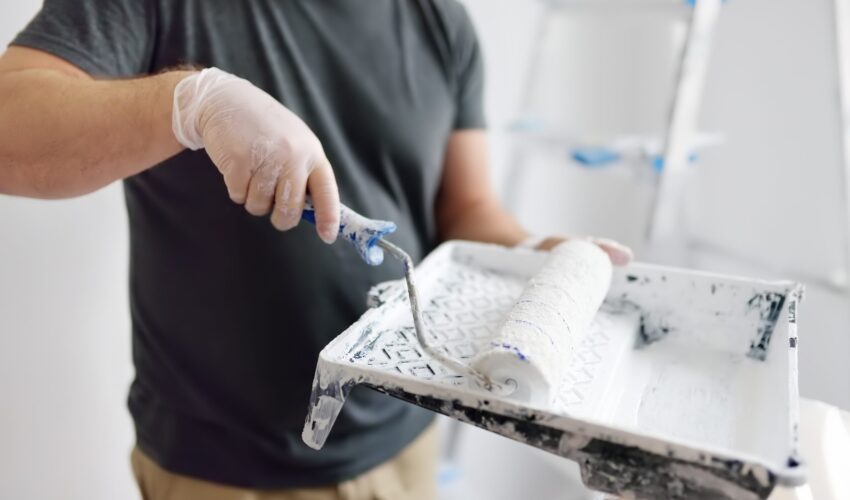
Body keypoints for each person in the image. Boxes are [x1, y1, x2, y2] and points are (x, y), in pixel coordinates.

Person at [0, 1, 632, 499]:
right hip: (220, 472)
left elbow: (463, 210)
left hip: (402, 447)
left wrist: (538, 251)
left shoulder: (440, 20)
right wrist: (190, 102)